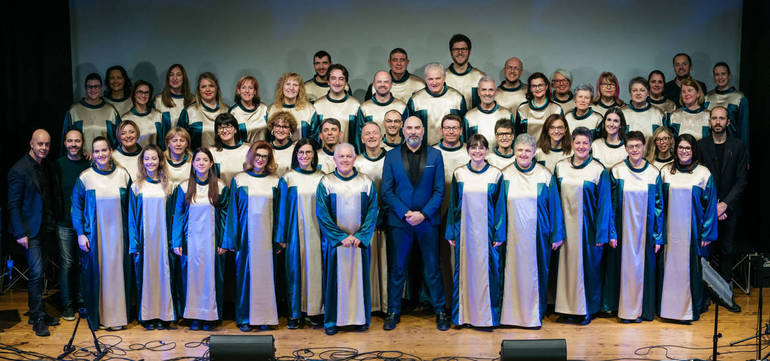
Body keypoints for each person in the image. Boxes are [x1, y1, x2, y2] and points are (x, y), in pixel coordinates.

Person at [381, 116, 450, 331]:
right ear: (402, 130)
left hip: (428, 222)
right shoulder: (391, 157)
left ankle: (440, 311)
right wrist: (405, 213)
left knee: (432, 268)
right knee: (398, 269)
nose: (413, 131)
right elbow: (387, 191)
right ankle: (393, 310)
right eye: (409, 127)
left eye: (417, 127)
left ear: (423, 130)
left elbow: (440, 191)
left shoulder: (436, 155)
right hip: (399, 223)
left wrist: (423, 214)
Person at [500, 133, 565, 328]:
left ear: (534, 152)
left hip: (538, 235)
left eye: (528, 150)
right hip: (511, 235)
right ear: (514, 151)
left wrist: (557, 233)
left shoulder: (545, 175)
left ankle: (533, 314)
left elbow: (555, 206)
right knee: (509, 272)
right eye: (520, 150)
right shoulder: (504, 175)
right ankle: (509, 315)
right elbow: (498, 209)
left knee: (535, 273)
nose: (523, 154)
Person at [553, 127, 616, 325]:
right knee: (565, 269)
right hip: (565, 227)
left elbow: (605, 204)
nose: (581, 146)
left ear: (590, 146)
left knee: (588, 269)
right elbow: (554, 200)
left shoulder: (598, 170)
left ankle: (586, 309)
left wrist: (602, 233)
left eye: (585, 143)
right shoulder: (560, 166)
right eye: (577, 142)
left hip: (588, 228)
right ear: (571, 144)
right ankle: (566, 309)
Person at [316, 142, 378, 335]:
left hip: (359, 243)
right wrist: (340, 237)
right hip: (337, 244)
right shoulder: (326, 182)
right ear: (334, 159)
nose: (344, 160)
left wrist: (360, 236)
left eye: (348, 156)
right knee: (335, 282)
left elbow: (373, 211)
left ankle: (360, 320)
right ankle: (333, 321)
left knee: (359, 281)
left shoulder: (366, 182)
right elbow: (322, 213)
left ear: (354, 158)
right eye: (341, 156)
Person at [72, 136, 132, 331]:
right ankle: (99, 318)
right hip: (96, 237)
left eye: (104, 150)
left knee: (117, 276)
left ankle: (117, 318)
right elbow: (76, 208)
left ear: (110, 151)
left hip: (119, 237)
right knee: (98, 276)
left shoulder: (123, 175)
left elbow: (132, 209)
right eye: (96, 151)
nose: (100, 155)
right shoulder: (85, 177)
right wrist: (81, 233)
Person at [445, 134, 505, 328]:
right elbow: (454, 205)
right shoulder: (459, 174)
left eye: (481, 148)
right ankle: (464, 316)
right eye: (473, 147)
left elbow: (500, 207)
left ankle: (487, 317)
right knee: (464, 273)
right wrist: (451, 232)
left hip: (487, 235)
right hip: (464, 233)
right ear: (468, 150)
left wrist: (499, 233)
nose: (477, 151)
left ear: (487, 151)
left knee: (489, 274)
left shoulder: (496, 174)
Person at [8, 129, 62, 336]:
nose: (44, 148)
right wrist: (20, 233)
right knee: (37, 274)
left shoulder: (45, 166)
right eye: (40, 144)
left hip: (46, 228)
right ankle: (38, 319)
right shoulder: (18, 170)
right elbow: (13, 205)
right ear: (31, 143)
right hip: (30, 232)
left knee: (43, 273)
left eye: (47, 144)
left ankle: (35, 312)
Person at [658, 134, 717, 322]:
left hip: (692, 232)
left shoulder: (703, 173)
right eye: (681, 147)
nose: (684, 151)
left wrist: (707, 232)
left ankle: (689, 310)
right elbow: (658, 204)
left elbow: (710, 206)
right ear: (675, 149)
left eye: (688, 148)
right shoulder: (666, 171)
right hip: (669, 232)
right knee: (667, 269)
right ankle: (667, 309)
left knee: (691, 270)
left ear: (693, 151)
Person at [224, 141, 282, 331]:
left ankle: (266, 318)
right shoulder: (239, 179)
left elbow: (281, 211)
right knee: (244, 277)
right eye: (257, 155)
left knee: (267, 277)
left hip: (267, 236)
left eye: (265, 156)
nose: (260, 159)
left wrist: (279, 238)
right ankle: (245, 318)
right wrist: (231, 238)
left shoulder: (275, 180)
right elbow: (232, 210)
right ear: (251, 156)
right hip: (245, 237)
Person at [607, 131, 663, 322]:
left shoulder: (654, 173)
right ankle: (624, 311)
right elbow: (612, 205)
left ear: (644, 147)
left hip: (645, 232)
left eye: (638, 146)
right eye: (630, 146)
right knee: (622, 270)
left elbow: (658, 207)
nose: (634, 150)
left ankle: (642, 311)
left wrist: (658, 236)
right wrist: (612, 232)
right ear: (625, 148)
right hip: (623, 231)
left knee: (644, 270)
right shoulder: (617, 171)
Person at [172, 147, 229, 331]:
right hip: (191, 242)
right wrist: (177, 240)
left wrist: (224, 241)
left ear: (211, 163)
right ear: (193, 164)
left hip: (212, 242)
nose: (201, 163)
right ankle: (193, 316)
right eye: (198, 160)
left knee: (211, 279)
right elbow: (178, 215)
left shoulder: (220, 186)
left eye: (205, 160)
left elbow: (225, 215)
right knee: (192, 279)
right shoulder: (184, 186)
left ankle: (210, 316)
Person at [128, 145, 178, 330]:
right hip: (145, 241)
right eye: (147, 159)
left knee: (164, 276)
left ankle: (164, 316)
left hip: (163, 240)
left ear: (160, 161)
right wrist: (134, 243)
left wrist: (174, 241)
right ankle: (148, 316)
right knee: (146, 277)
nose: (150, 162)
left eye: (154, 158)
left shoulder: (169, 186)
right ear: (142, 162)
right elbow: (132, 218)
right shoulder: (136, 186)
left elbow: (174, 215)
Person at [697, 106, 747, 283]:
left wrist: (724, 204)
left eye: (721, 118)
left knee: (726, 250)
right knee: (706, 251)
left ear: (728, 122)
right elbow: (698, 179)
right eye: (714, 118)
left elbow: (742, 180)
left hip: (730, 209)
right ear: (709, 121)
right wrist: (713, 206)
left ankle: (726, 293)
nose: (718, 122)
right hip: (706, 209)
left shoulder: (738, 146)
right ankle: (706, 294)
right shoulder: (701, 146)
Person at [280, 138, 326, 329]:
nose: (304, 156)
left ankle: (315, 311)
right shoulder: (288, 177)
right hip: (294, 231)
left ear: (314, 155)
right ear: (295, 155)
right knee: (295, 271)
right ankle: (295, 313)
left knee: (317, 271)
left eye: (308, 152)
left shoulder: (322, 177)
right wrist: (281, 237)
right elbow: (281, 209)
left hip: (318, 231)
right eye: (301, 153)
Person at [54, 130, 90, 321]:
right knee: (67, 264)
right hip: (65, 224)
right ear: (65, 143)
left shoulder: (89, 164)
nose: (73, 144)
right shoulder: (58, 165)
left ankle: (82, 302)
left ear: (82, 142)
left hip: (86, 225)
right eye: (70, 141)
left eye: (77, 141)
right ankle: (67, 305)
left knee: (83, 263)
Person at [355, 123, 389, 314]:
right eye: (366, 134)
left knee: (386, 264)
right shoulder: (357, 162)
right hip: (364, 222)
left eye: (374, 133)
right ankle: (368, 304)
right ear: (361, 139)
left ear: (381, 135)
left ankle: (386, 305)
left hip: (388, 218)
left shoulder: (391, 158)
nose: (371, 136)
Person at [406, 62, 467, 146]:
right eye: (430, 79)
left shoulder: (457, 98)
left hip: (451, 150)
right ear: (425, 79)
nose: (434, 82)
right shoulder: (416, 99)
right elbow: (408, 130)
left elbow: (463, 129)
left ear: (444, 78)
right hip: (424, 152)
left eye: (438, 78)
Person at [62, 73, 120, 153]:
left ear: (101, 88)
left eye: (96, 87)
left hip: (104, 160)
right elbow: (66, 140)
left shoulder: (111, 110)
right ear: (85, 88)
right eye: (90, 87)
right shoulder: (74, 110)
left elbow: (118, 139)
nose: (93, 90)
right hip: (80, 160)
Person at [705, 62, 750, 156]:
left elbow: (744, 128)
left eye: (723, 74)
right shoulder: (707, 97)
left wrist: (745, 155)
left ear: (729, 75)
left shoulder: (739, 98)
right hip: (710, 147)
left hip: (732, 148)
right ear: (714, 77)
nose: (720, 77)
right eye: (717, 74)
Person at [311, 64, 362, 146]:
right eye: (333, 78)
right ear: (328, 81)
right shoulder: (318, 105)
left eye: (341, 79)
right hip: (323, 156)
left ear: (346, 82)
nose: (337, 82)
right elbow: (314, 137)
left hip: (347, 156)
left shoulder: (355, 105)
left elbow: (359, 138)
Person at [178, 72, 228, 150]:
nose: (207, 89)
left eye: (211, 86)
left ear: (217, 88)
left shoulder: (227, 110)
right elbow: (180, 140)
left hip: (223, 158)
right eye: (203, 86)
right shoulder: (189, 111)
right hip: (197, 160)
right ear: (199, 90)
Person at [359, 71, 407, 151]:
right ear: (374, 84)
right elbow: (359, 137)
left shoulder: (402, 106)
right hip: (373, 155)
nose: (382, 85)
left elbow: (406, 134)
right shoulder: (365, 108)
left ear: (391, 85)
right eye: (379, 82)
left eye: (386, 82)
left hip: (399, 154)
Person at [464, 76, 514, 149]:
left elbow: (513, 143)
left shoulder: (507, 114)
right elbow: (466, 145)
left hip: (501, 159)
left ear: (496, 92)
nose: (487, 93)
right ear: (478, 92)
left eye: (491, 90)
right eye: (484, 90)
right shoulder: (469, 116)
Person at [267, 72, 316, 140]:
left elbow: (315, 135)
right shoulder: (272, 109)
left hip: (302, 149)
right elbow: (268, 137)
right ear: (282, 87)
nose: (291, 88)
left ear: (300, 89)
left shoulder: (309, 109)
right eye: (288, 84)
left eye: (295, 85)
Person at [516, 72, 563, 141]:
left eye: (540, 85)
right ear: (530, 88)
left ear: (546, 86)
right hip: (527, 150)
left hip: (549, 150)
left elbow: (562, 133)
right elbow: (517, 134)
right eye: (534, 86)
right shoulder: (522, 108)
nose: (537, 89)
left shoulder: (556, 109)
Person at [445, 34, 486, 109]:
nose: (460, 52)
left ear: (469, 51)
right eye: (456, 49)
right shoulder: (442, 77)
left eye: (463, 49)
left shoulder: (480, 77)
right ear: (451, 52)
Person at [120, 80, 164, 149]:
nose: (143, 95)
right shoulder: (125, 118)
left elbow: (163, 142)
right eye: (140, 92)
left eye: (146, 92)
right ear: (134, 94)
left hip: (154, 157)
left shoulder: (158, 116)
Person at [210, 113, 250, 185]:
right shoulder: (211, 152)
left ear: (235, 130)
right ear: (217, 132)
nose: (224, 131)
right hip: (220, 194)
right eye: (220, 128)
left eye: (228, 127)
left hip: (242, 194)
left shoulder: (248, 149)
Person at [229, 75, 269, 144]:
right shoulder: (233, 112)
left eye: (250, 88)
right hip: (243, 152)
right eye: (243, 88)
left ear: (255, 91)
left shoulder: (263, 108)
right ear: (238, 91)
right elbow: (231, 138)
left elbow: (271, 133)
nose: (247, 91)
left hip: (264, 151)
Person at [154, 64, 194, 129]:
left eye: (178, 75)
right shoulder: (158, 100)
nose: (174, 78)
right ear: (168, 78)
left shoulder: (193, 100)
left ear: (183, 78)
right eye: (171, 75)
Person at [267, 111, 298, 176]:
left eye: (285, 127)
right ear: (273, 128)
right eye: (278, 126)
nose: (281, 130)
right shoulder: (265, 148)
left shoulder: (296, 149)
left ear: (290, 130)